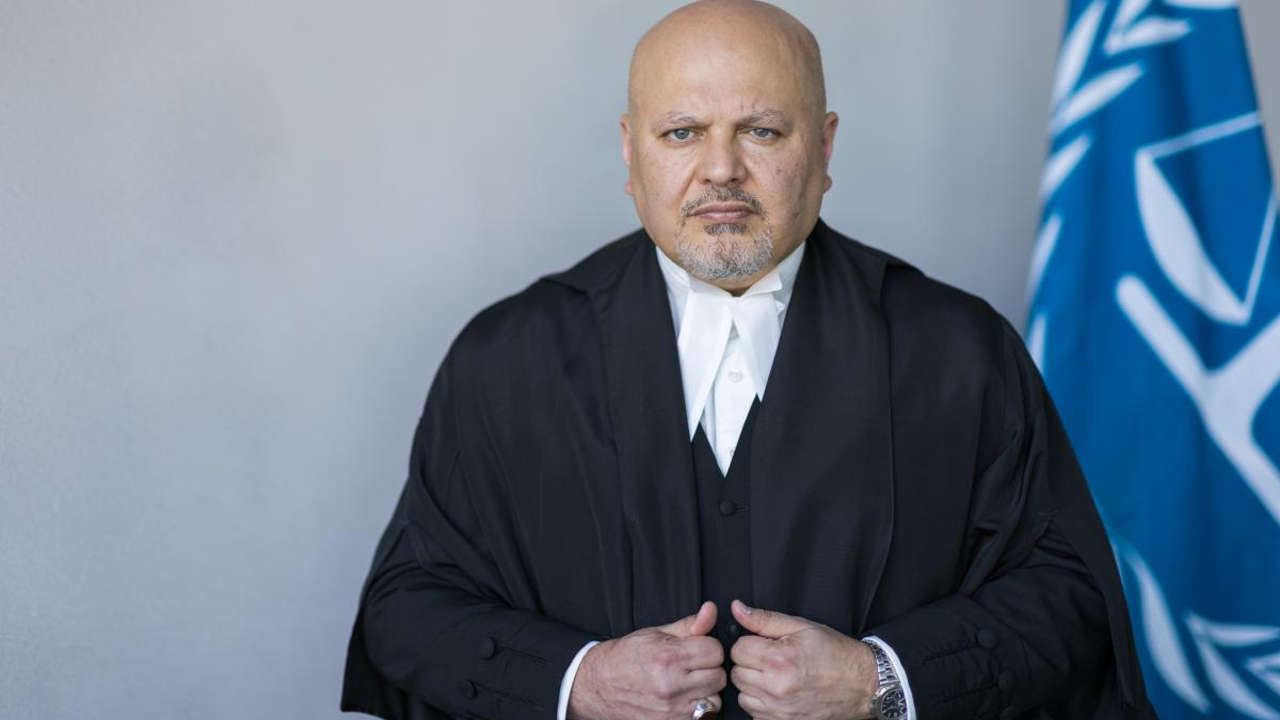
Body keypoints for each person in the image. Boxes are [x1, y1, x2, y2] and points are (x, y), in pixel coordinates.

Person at [341, 1, 1157, 719]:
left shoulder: (959, 353)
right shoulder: (505, 362)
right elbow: (407, 608)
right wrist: (581, 682)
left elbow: (1071, 595)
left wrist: (880, 680)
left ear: (825, 147)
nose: (722, 168)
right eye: (682, 132)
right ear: (630, 153)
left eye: (762, 131)